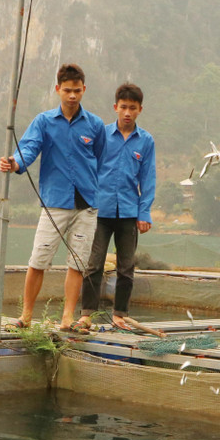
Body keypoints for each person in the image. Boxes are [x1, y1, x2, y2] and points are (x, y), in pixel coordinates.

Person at [0, 63, 107, 331]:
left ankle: (67, 318)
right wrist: (14, 163)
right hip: (54, 202)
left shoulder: (94, 125)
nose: (72, 96)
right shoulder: (44, 122)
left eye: (77, 91)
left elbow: (103, 159)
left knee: (77, 263)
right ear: (58, 90)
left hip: (87, 204)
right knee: (38, 259)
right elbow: (29, 147)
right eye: (67, 90)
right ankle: (25, 315)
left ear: (84, 90)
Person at [77, 82, 156, 331]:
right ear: (115, 107)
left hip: (129, 213)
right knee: (94, 264)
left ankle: (119, 314)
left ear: (140, 110)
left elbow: (148, 179)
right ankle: (86, 314)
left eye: (132, 108)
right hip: (100, 211)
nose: (127, 113)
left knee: (126, 267)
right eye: (123, 107)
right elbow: (89, 169)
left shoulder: (145, 141)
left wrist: (144, 212)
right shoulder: (102, 136)